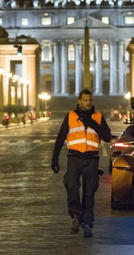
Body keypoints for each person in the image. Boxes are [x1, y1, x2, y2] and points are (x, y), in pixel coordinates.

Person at [51, 89, 111, 238]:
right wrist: (54, 158)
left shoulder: (98, 116)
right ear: (79, 101)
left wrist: (92, 123)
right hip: (74, 158)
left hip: (92, 159)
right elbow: (60, 137)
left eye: (90, 100)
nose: (88, 102)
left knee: (89, 193)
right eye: (85, 100)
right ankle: (75, 216)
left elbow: (107, 137)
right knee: (71, 187)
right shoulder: (71, 116)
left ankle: (87, 224)